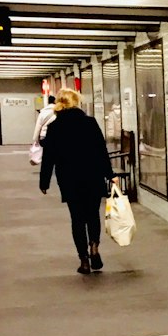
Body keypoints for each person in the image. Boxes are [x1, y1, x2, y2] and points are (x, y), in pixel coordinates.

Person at [39, 88, 114, 275]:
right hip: (93, 176)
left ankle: (84, 261)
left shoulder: (55, 127)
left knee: (77, 219)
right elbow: (101, 150)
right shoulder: (90, 123)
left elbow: (49, 157)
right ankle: (94, 247)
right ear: (76, 102)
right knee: (93, 215)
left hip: (70, 179)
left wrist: (44, 181)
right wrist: (109, 174)